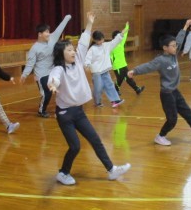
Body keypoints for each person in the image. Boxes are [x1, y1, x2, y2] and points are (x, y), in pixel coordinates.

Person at [47, 11, 131, 185]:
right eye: (69, 49)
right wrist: (53, 85)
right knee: (75, 146)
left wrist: (90, 23)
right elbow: (54, 78)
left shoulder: (78, 59)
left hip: (78, 112)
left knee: (95, 140)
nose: (73, 51)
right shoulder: (59, 69)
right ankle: (63, 173)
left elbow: (84, 40)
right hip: (65, 114)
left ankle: (111, 170)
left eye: (72, 49)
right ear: (61, 54)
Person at [128, 20, 191, 146]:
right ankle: (160, 136)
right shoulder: (161, 60)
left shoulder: (173, 54)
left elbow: (179, 39)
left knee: (188, 113)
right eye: (172, 46)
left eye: (175, 45)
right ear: (165, 48)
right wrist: (134, 71)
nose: (175, 47)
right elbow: (148, 66)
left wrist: (185, 27)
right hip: (167, 94)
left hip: (175, 91)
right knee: (172, 120)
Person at [20, 15, 72, 118]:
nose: (48, 33)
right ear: (40, 34)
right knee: (47, 93)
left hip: (53, 71)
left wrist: (67, 17)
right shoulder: (34, 48)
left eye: (49, 31)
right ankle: (41, 111)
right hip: (41, 74)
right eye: (46, 32)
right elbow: (30, 63)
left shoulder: (52, 38)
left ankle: (63, 107)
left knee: (62, 89)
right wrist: (24, 74)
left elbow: (60, 27)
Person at [85, 24, 126, 108]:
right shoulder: (92, 49)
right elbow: (87, 58)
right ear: (95, 40)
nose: (101, 41)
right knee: (98, 87)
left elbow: (115, 42)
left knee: (110, 85)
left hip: (105, 70)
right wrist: (87, 65)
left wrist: (121, 34)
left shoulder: (106, 46)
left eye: (102, 39)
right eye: (99, 40)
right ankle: (97, 102)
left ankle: (115, 100)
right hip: (96, 72)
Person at [110, 23, 145, 96]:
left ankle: (137, 89)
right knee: (120, 79)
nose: (121, 37)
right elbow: (109, 56)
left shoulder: (121, 43)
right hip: (117, 66)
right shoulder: (111, 45)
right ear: (115, 37)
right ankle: (116, 89)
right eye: (119, 36)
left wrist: (127, 27)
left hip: (123, 64)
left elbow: (125, 35)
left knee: (128, 78)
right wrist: (111, 63)